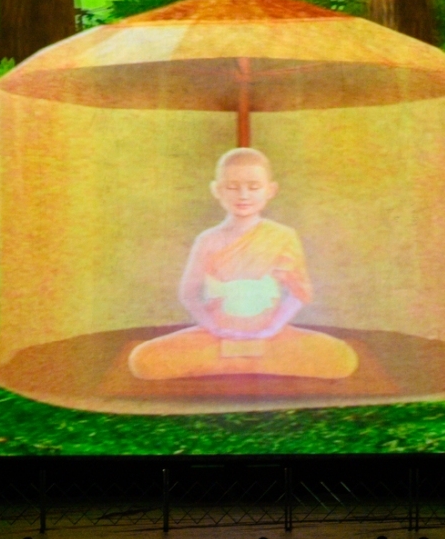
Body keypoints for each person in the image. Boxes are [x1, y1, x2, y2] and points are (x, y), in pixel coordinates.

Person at [128, 148, 359, 380]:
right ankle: (251, 361)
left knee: (341, 359)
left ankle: (236, 361)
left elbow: (299, 293)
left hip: (271, 335)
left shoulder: (283, 236)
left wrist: (273, 328)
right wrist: (214, 328)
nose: (243, 195)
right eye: (232, 187)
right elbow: (188, 293)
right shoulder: (208, 239)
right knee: (144, 361)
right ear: (217, 190)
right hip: (216, 336)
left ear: (270, 190)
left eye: (254, 187)